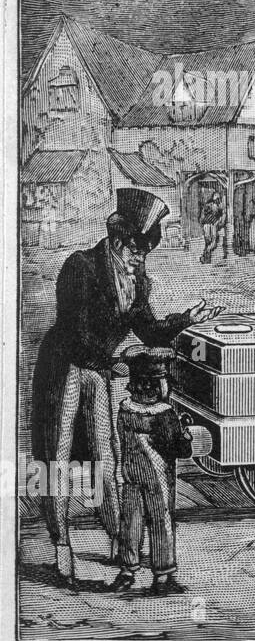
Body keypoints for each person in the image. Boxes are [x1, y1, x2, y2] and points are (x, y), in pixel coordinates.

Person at [28, 188, 222, 587]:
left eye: (145, 252)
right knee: (57, 457)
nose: (140, 259)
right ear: (117, 242)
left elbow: (148, 328)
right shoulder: (80, 267)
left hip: (99, 368)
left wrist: (185, 319)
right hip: (64, 366)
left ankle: (119, 540)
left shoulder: (138, 281)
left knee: (108, 453)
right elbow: (76, 332)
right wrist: (119, 358)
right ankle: (61, 548)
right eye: (136, 251)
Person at [109, 346, 190, 596]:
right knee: (161, 520)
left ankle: (127, 571)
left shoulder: (125, 410)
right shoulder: (165, 415)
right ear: (160, 386)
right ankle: (163, 576)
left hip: (131, 472)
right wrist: (185, 436)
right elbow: (179, 449)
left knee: (130, 521)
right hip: (157, 478)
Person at [198, 186, 225, 264]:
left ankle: (205, 256)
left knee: (213, 242)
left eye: (218, 196)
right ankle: (206, 258)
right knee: (208, 241)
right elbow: (203, 215)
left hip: (213, 224)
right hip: (208, 224)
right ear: (213, 196)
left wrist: (219, 222)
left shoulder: (219, 205)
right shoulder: (208, 205)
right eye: (216, 196)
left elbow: (221, 215)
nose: (217, 198)